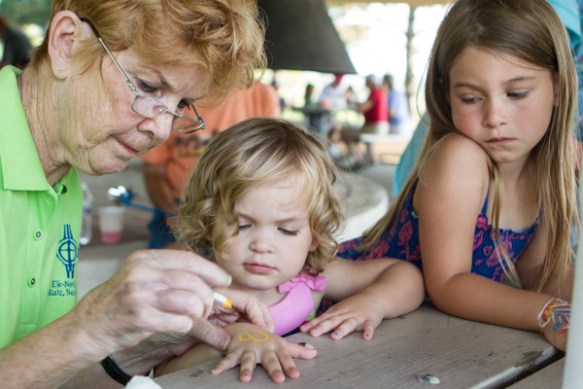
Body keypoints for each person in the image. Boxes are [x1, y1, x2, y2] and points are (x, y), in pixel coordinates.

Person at [0, 2, 316, 387]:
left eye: (181, 104)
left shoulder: (62, 173)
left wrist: (141, 345)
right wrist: (90, 325)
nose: (162, 129)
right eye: (148, 86)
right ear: (67, 43)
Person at [337, 0, 577, 352]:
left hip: (422, 340)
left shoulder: (545, 168)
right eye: (470, 98)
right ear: (446, 94)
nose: (495, 116)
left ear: (557, 87)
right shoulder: (460, 157)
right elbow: (448, 284)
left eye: (516, 93)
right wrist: (550, 313)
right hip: (349, 314)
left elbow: (536, 272)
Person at [155, 118, 425, 382]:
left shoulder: (310, 278)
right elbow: (160, 373)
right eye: (242, 225)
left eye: (286, 230)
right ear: (209, 221)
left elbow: (405, 275)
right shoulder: (196, 290)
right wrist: (225, 341)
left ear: (314, 236)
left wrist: (374, 303)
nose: (262, 245)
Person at [142, 81, 282, 249]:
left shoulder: (261, 94)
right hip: (178, 209)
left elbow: (274, 162)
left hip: (240, 211)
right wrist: (172, 214)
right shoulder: (174, 93)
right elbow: (153, 169)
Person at [341, 74, 389, 165]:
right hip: (379, 126)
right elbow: (365, 105)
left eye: (367, 81)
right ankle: (361, 157)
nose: (365, 83)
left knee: (344, 132)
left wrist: (352, 105)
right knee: (354, 133)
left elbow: (363, 108)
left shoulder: (375, 93)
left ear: (371, 82)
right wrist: (354, 103)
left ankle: (357, 157)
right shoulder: (379, 92)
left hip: (374, 127)